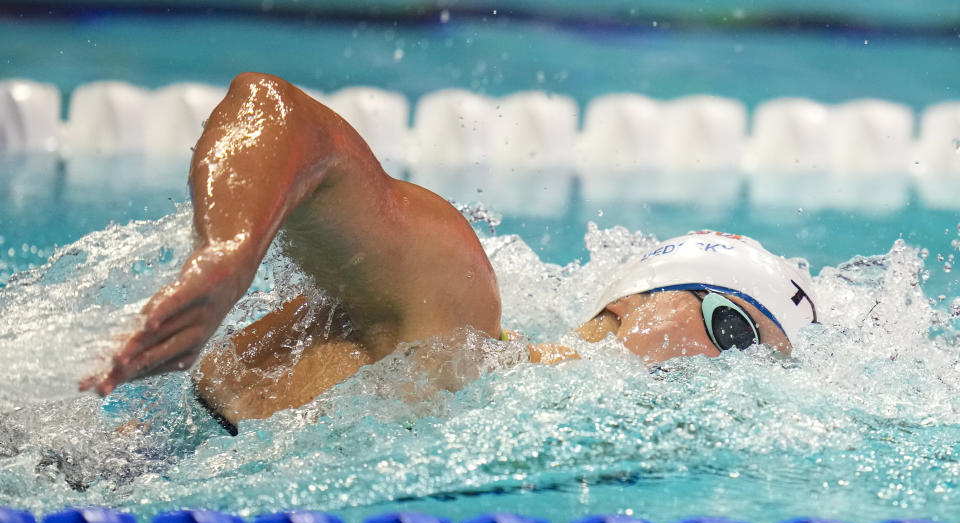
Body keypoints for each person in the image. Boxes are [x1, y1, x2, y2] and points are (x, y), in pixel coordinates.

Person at [81, 72, 818, 433]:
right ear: (634, 301)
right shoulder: (458, 313)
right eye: (735, 331)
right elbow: (277, 112)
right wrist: (228, 255)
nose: (735, 380)